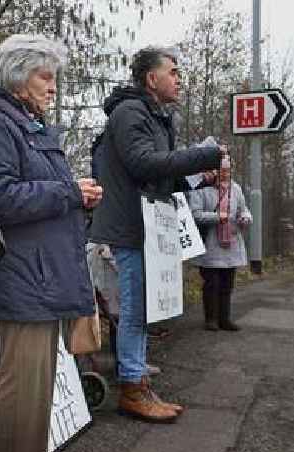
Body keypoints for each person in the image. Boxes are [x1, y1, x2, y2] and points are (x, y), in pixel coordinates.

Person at [0, 34, 103, 452]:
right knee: (23, 395)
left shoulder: (28, 124)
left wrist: (79, 198)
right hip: (25, 279)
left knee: (38, 396)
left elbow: (38, 192)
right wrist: (69, 192)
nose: (53, 86)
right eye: (46, 76)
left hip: (43, 278)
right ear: (20, 76)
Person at [88, 46, 226, 423]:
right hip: (129, 226)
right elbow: (142, 164)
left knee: (143, 306)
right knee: (134, 308)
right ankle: (132, 387)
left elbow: (160, 174)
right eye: (174, 71)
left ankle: (136, 373)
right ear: (152, 79)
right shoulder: (131, 112)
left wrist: (199, 177)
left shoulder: (154, 115)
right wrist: (204, 156)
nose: (179, 78)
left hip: (146, 225)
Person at [189, 162, 252, 331]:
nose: (225, 174)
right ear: (214, 170)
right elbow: (195, 214)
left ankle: (225, 319)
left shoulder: (235, 188)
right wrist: (219, 217)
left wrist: (245, 218)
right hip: (210, 244)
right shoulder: (201, 188)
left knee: (227, 284)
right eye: (222, 170)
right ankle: (211, 319)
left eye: (228, 170)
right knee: (212, 283)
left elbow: (243, 209)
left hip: (231, 244)